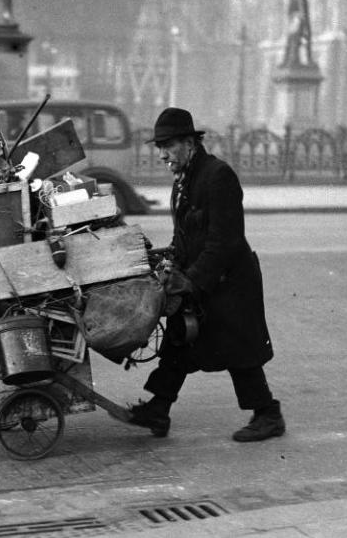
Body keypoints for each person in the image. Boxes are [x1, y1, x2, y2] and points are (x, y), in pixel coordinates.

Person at [120, 107, 284, 442]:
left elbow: (225, 241)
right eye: (159, 147)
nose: (162, 154)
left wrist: (191, 281)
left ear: (190, 143)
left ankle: (268, 415)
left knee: (239, 351)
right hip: (204, 280)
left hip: (230, 283)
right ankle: (159, 408)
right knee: (180, 340)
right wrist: (165, 260)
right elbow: (186, 237)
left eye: (168, 146)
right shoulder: (183, 182)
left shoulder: (217, 176)